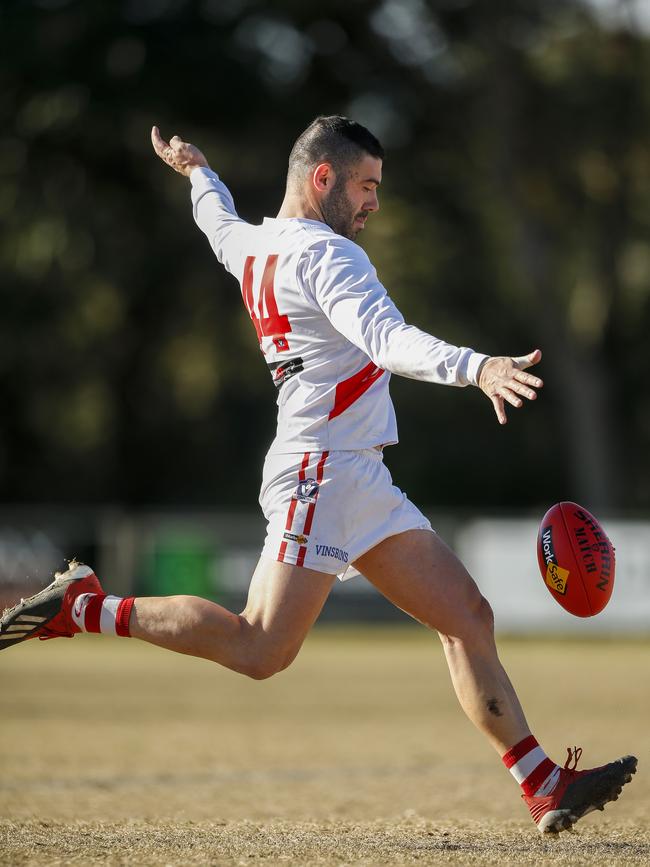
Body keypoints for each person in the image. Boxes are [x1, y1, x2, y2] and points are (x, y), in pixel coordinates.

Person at [1, 116, 636, 833]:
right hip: (321, 469)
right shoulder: (330, 259)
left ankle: (542, 783)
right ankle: (82, 605)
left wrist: (197, 174)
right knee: (260, 646)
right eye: (365, 185)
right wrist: (476, 366)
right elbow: (388, 339)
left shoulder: (256, 244)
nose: (373, 203)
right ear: (323, 177)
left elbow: (216, 222)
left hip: (356, 473)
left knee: (467, 616)